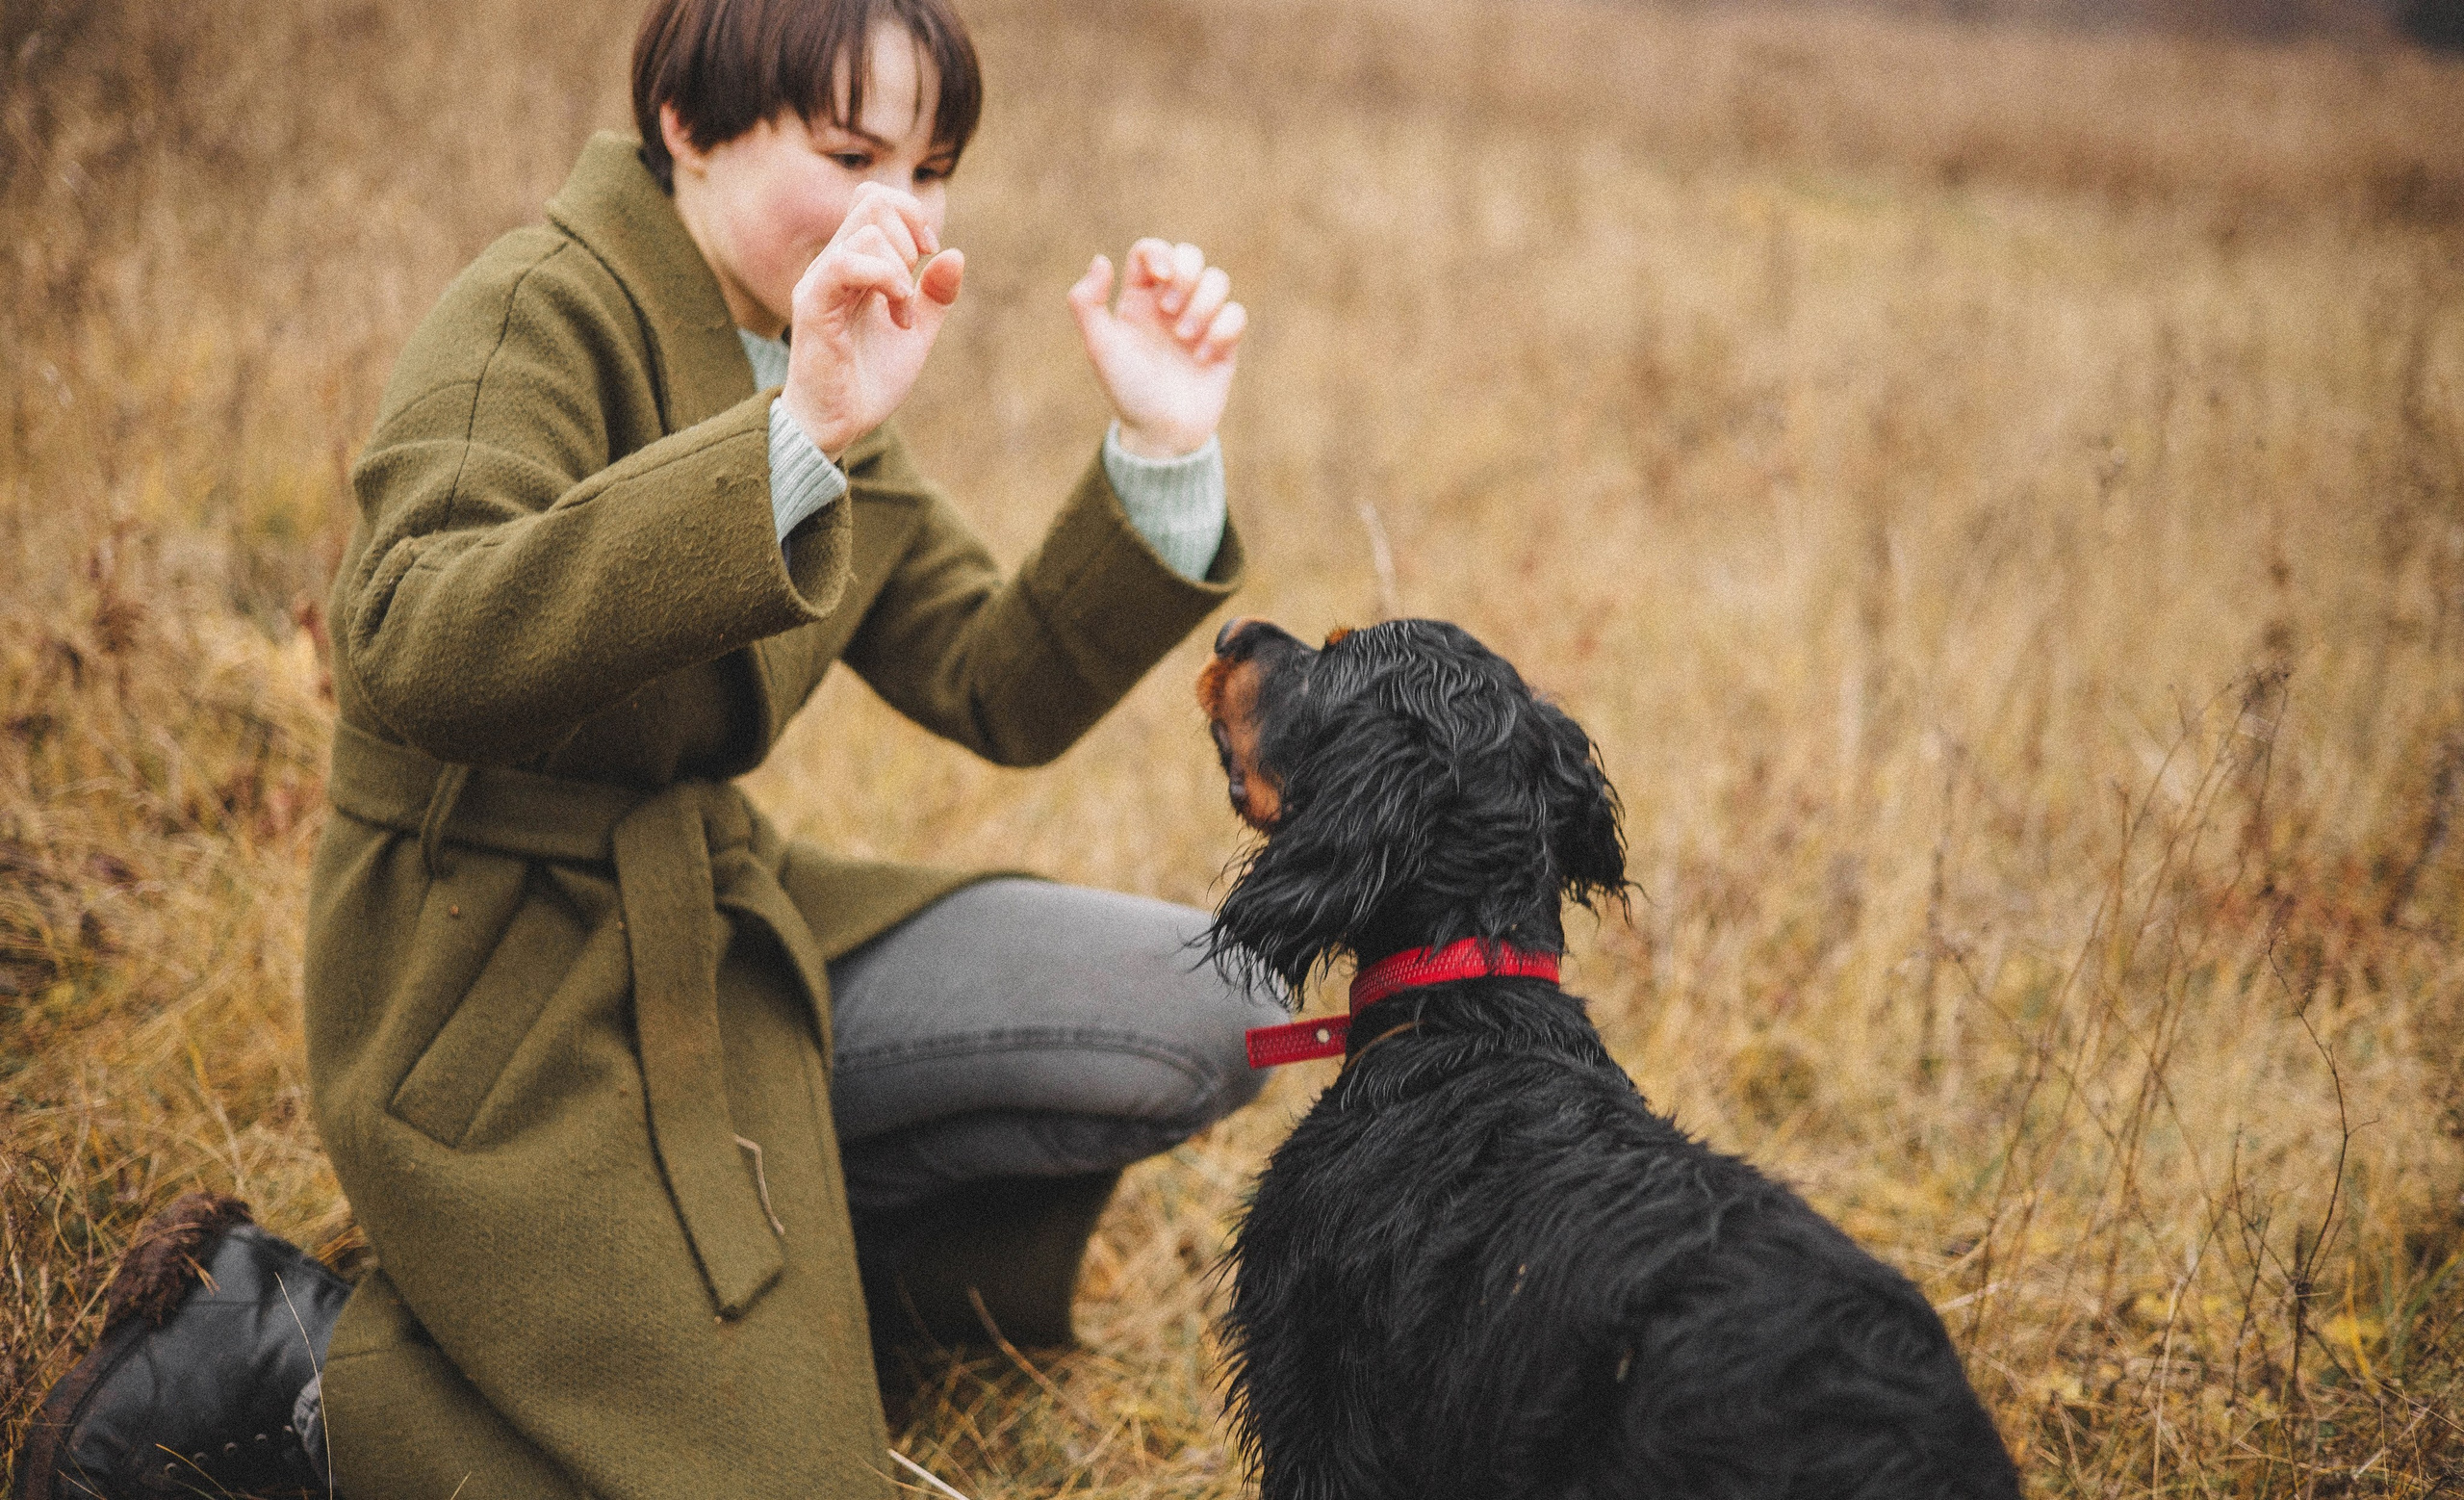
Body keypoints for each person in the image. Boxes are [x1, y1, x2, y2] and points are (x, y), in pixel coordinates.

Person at [13, 1, 1281, 1496]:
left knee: (1225, 1003)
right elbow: (407, 635)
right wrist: (792, 436)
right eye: (851, 149)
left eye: (933, 168)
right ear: (685, 126)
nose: (903, 205)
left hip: (719, 920)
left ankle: (809, 1294)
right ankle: (284, 1357)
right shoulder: (541, 309)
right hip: (490, 970)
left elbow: (996, 685)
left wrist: (1160, 449)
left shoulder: (813, 361)